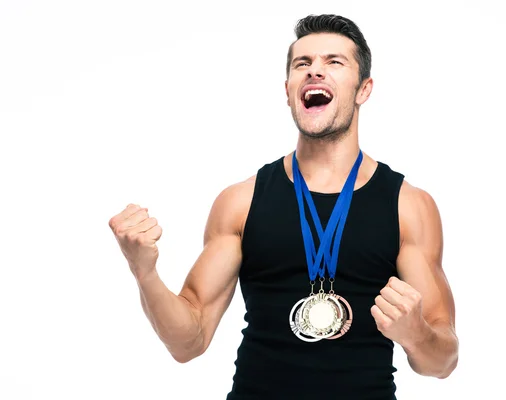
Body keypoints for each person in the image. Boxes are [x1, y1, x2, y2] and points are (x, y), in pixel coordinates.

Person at [108, 14, 458, 399]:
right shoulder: (241, 202)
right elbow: (188, 341)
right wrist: (145, 273)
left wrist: (416, 334)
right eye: (302, 64)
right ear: (288, 88)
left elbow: (442, 362)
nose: (314, 72)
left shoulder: (408, 206)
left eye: (334, 62)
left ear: (363, 89)